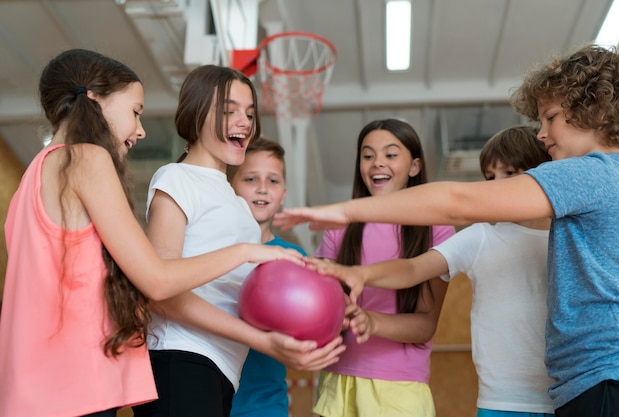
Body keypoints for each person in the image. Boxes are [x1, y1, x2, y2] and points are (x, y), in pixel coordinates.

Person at [274, 44, 619, 417]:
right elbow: (415, 265)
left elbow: (457, 201)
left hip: (605, 376)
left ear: (594, 108)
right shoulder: (608, 179)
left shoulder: (593, 173)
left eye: (550, 117)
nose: (541, 134)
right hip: (588, 379)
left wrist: (344, 211)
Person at [0, 49, 304, 417]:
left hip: (33, 386)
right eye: (135, 112)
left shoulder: (29, 182)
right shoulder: (86, 159)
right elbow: (157, 282)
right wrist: (247, 251)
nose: (141, 129)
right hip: (76, 379)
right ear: (95, 99)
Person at [131, 65, 344, 417]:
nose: (245, 122)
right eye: (229, 111)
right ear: (196, 113)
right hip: (178, 355)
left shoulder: (239, 208)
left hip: (224, 370)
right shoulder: (176, 177)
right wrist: (261, 340)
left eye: (249, 113)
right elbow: (160, 291)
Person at [308, 125, 555, 417]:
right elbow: (413, 268)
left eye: (510, 173)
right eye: (489, 177)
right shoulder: (479, 237)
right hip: (500, 401)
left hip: (565, 392)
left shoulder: (568, 237)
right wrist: (361, 276)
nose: (496, 185)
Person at [309, 119, 456, 417]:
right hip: (338, 381)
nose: (377, 163)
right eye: (367, 155)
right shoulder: (340, 227)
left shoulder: (436, 228)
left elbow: (425, 325)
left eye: (390, 155)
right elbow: (321, 305)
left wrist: (371, 321)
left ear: (414, 167)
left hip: (400, 391)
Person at [227, 137, 307, 417]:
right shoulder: (212, 254)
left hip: (265, 406)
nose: (262, 188)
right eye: (251, 179)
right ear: (230, 187)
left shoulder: (295, 257)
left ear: (283, 194)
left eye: (272, 181)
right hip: (212, 398)